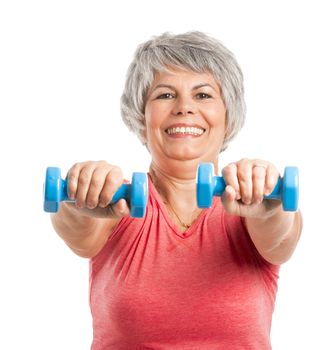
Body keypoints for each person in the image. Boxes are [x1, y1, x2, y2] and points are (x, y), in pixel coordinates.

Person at [51, 31, 303, 349]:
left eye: (203, 95)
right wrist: (79, 197)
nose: (184, 107)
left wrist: (271, 208)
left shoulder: (260, 201)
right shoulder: (115, 203)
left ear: (229, 116)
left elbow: (279, 237)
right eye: (165, 95)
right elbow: (75, 226)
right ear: (141, 117)